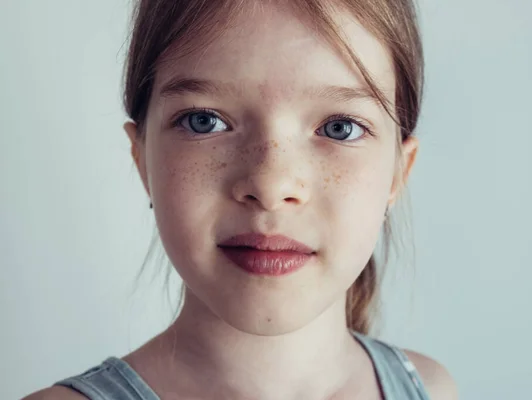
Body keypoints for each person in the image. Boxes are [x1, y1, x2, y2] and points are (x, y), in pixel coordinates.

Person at [24, 0, 458, 399]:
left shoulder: (431, 388)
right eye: (204, 121)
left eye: (339, 127)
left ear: (398, 172)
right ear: (143, 161)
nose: (270, 186)